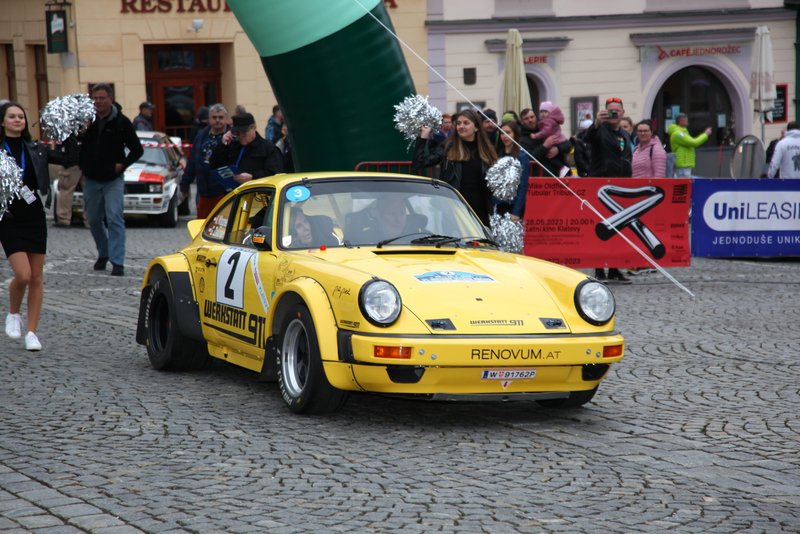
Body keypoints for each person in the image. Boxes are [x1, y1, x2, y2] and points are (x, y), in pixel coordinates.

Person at [0, 102, 53, 351]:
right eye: (12, 116)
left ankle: (32, 332)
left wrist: (71, 135)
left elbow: (70, 159)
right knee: (23, 274)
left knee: (37, 277)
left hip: (34, 216)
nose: (18, 120)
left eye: (21, 116)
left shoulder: (36, 148)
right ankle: (13, 313)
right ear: (2, 121)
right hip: (9, 218)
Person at [79, 83, 143, 277]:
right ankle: (103, 253)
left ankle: (117, 262)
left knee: (115, 217)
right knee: (94, 219)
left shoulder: (122, 122)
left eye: (101, 98)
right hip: (90, 178)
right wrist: (79, 133)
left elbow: (137, 150)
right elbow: (72, 144)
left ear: (110, 99)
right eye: (95, 98)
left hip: (113, 179)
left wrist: (122, 165)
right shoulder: (85, 121)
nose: (98, 102)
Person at [413, 108, 498, 225]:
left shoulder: (487, 151)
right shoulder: (448, 147)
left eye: (466, 123)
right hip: (454, 209)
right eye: (458, 123)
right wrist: (423, 137)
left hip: (480, 211)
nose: (461, 126)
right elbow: (420, 162)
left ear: (477, 127)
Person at [584, 96, 633, 284]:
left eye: (617, 110)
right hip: (601, 187)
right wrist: (596, 123)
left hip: (621, 187)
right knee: (602, 227)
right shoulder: (599, 130)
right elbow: (586, 138)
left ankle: (614, 269)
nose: (614, 113)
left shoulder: (625, 134)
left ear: (623, 112)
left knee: (619, 228)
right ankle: (599, 269)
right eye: (610, 110)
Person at [180, 103, 231, 219]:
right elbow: (192, 162)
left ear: (226, 119)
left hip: (224, 193)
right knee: (202, 227)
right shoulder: (201, 136)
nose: (217, 120)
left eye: (221, 117)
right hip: (204, 192)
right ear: (209, 119)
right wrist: (184, 185)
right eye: (214, 117)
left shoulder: (232, 137)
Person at [210, 112, 283, 189]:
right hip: (233, 193)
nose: (241, 136)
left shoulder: (268, 148)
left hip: (258, 193)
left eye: (244, 133)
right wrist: (222, 145)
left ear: (254, 128)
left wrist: (252, 176)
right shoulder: (232, 145)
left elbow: (275, 174)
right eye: (237, 133)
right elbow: (214, 165)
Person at [492, 120, 530, 221]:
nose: (504, 136)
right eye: (502, 133)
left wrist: (516, 211)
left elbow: (523, 186)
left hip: (513, 206)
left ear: (515, 134)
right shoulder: (497, 155)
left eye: (508, 133)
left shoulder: (522, 156)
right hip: (497, 205)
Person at [50, 132, 83, 227]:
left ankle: (64, 219)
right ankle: (90, 220)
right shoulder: (92, 126)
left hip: (72, 164)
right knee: (90, 193)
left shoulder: (68, 130)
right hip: (87, 162)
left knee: (66, 190)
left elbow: (63, 148)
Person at [668, 113, 711, 177]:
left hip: (685, 164)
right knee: (684, 183)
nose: (687, 120)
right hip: (682, 165)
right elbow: (694, 142)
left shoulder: (683, 132)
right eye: (685, 119)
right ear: (680, 121)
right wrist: (705, 134)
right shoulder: (678, 134)